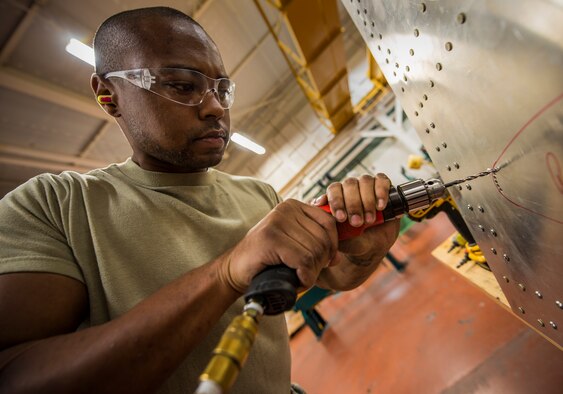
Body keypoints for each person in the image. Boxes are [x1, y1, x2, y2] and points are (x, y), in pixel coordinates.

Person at [0, 7, 399, 394]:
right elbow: (14, 379)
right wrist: (225, 273)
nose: (215, 108)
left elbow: (329, 276)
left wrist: (363, 252)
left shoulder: (256, 195)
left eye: (221, 89)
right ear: (108, 95)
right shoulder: (54, 207)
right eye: (181, 85)